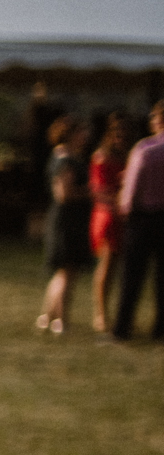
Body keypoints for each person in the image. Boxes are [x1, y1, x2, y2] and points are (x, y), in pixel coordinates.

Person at [111, 101, 164, 343]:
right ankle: (160, 327)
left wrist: (126, 210)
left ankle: (122, 327)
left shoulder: (145, 149)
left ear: (157, 120)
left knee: (132, 276)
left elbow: (131, 191)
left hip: (142, 218)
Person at [38, 159, 94, 335]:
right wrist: (90, 192)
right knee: (67, 272)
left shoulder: (60, 157)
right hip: (67, 223)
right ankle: (61, 320)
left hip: (67, 221)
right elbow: (63, 194)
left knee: (62, 273)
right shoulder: (67, 161)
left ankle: (47, 317)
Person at [90, 114, 131, 333]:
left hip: (122, 216)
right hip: (107, 215)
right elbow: (98, 190)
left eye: (123, 136)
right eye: (116, 135)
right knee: (106, 266)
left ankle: (114, 313)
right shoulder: (101, 157)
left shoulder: (127, 156)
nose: (120, 139)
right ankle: (101, 314)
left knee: (117, 268)